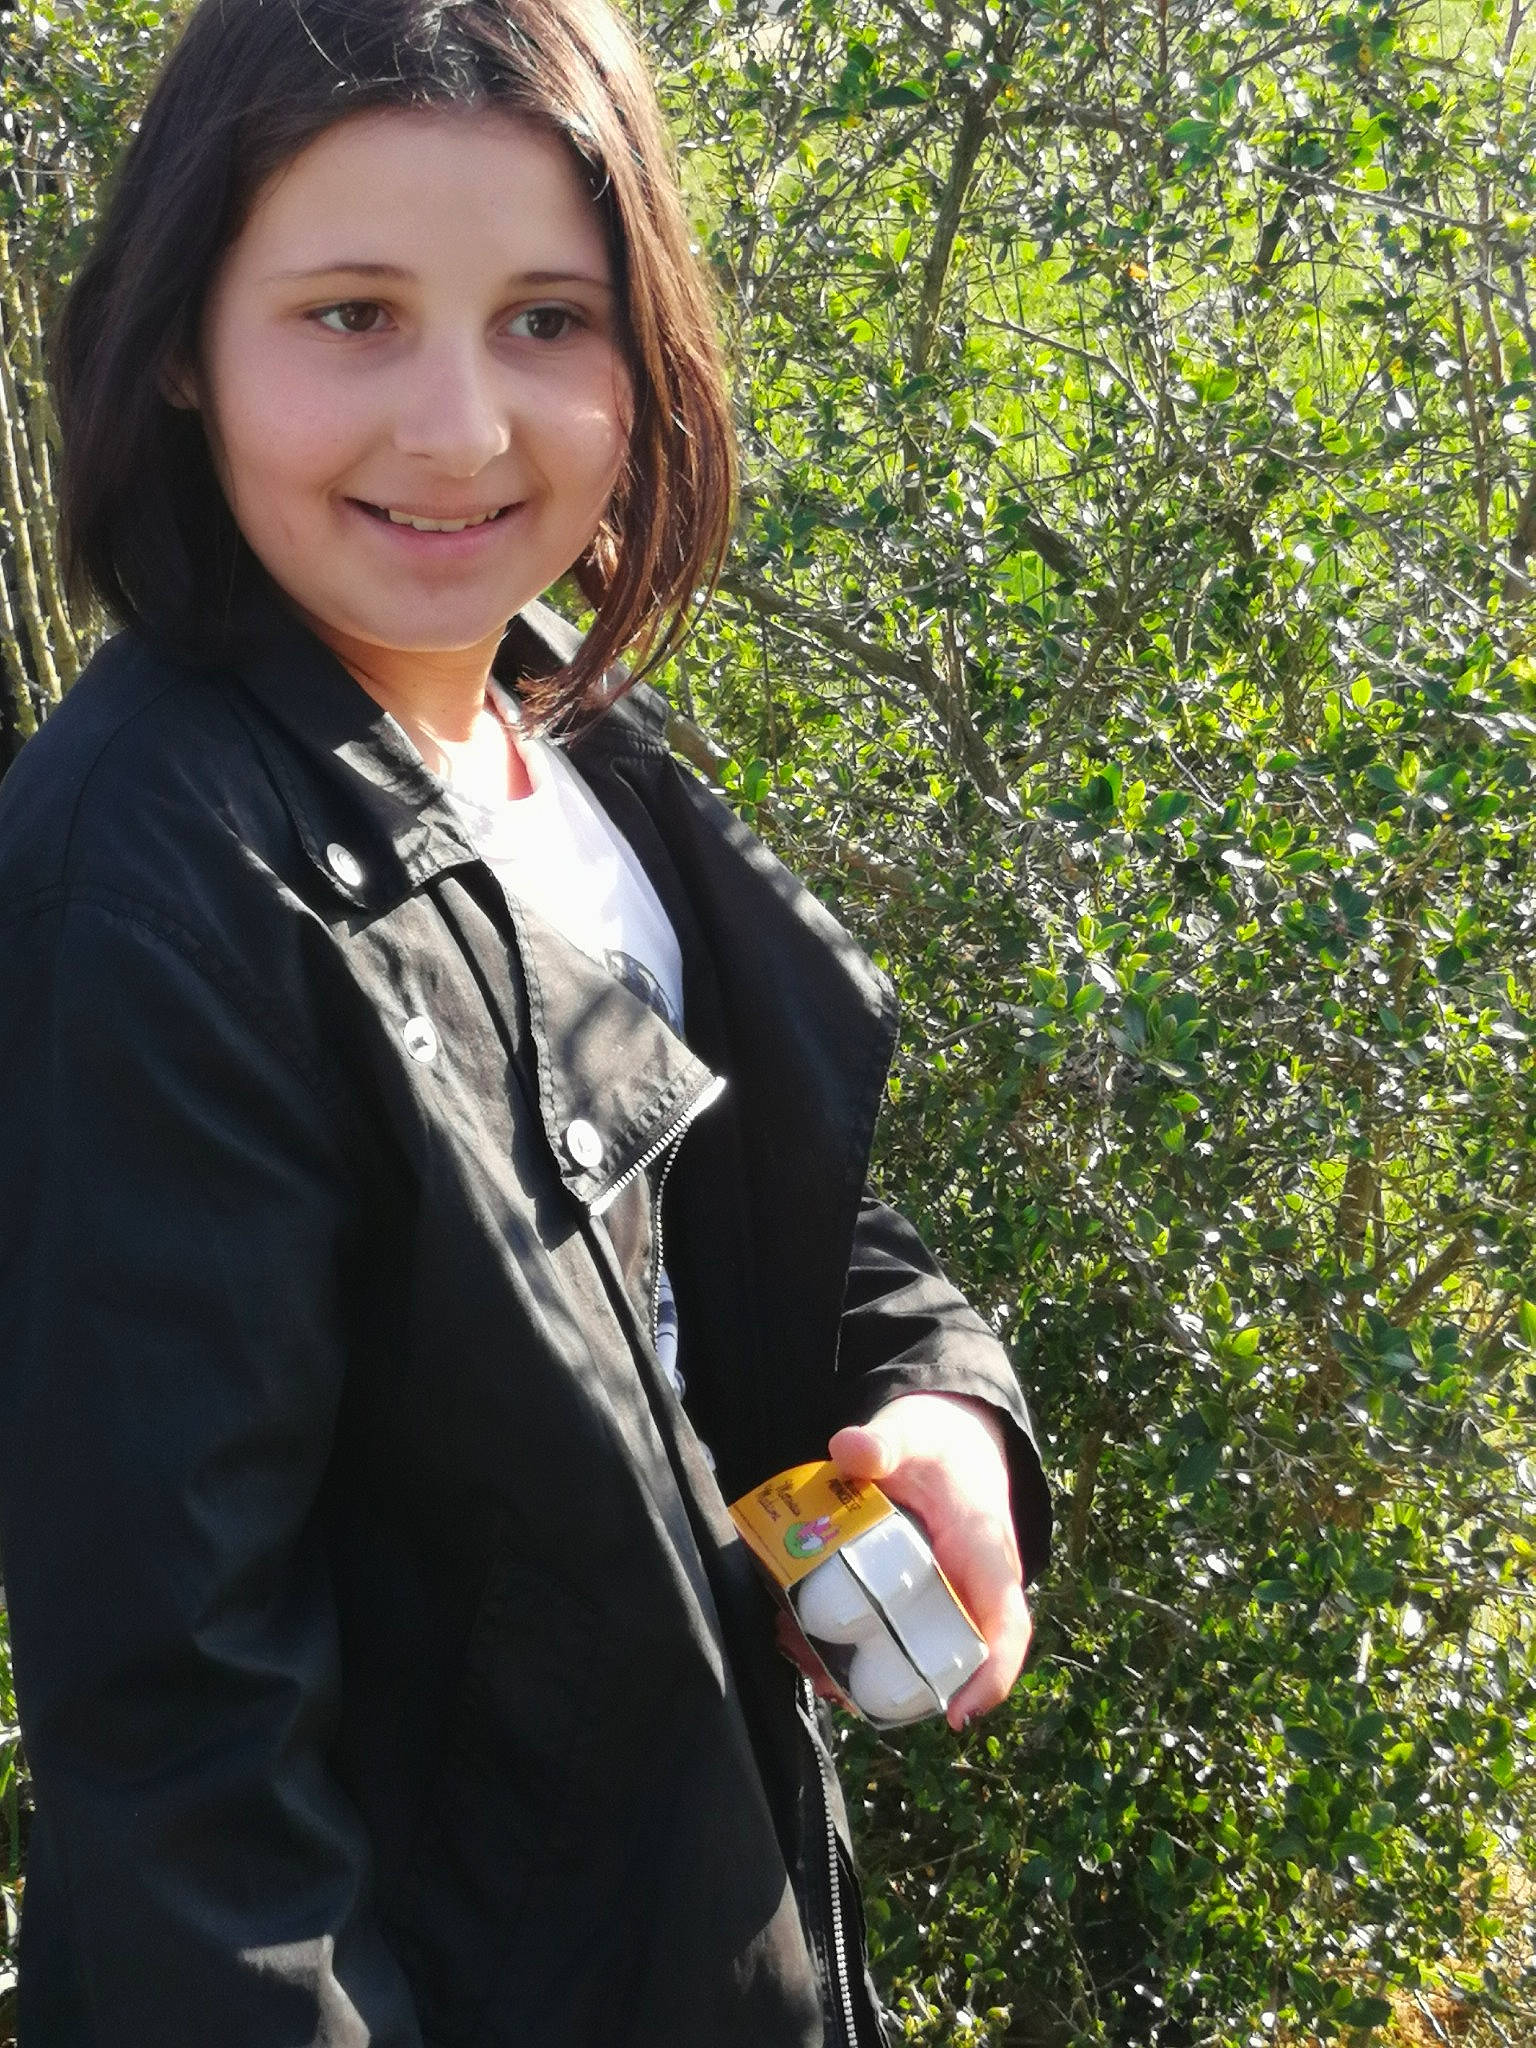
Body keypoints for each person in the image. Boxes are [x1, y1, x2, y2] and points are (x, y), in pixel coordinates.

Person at [0, 0, 1051, 2040]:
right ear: (183, 353)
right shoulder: (151, 882)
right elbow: (187, 1761)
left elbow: (757, 1221)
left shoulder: (558, 738)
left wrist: (937, 1405)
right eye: (351, 314)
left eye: (548, 321)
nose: (462, 426)